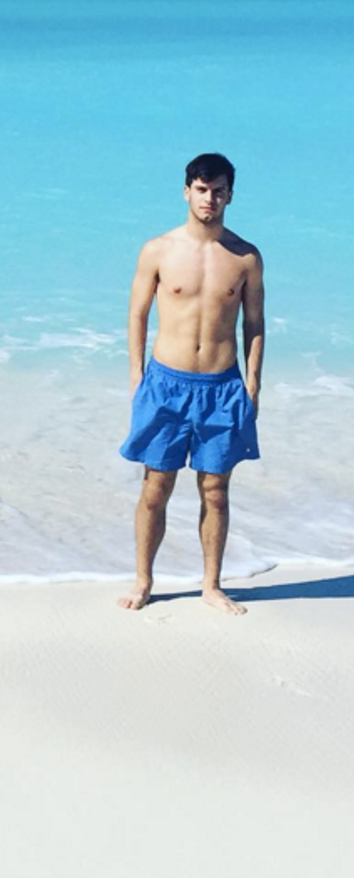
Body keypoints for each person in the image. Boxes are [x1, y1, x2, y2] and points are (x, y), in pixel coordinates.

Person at [118, 153, 264, 615]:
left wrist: (253, 384)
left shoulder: (245, 257)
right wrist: (137, 375)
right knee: (155, 487)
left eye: (218, 191)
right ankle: (143, 581)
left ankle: (211, 586)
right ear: (187, 192)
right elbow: (137, 314)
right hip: (166, 384)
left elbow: (254, 324)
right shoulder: (158, 250)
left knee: (215, 491)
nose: (209, 199)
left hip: (222, 388)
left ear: (230, 196)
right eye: (202, 190)